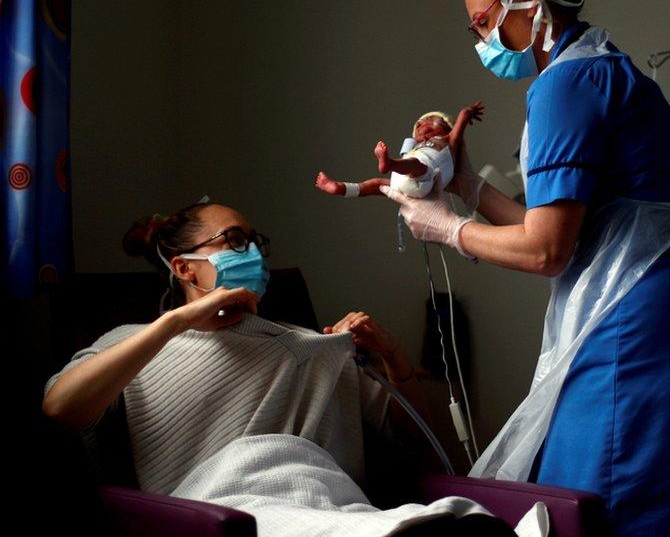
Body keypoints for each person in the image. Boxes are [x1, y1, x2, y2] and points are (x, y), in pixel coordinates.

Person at [381, 0, 670, 537]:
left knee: (606, 512)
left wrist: (444, 229)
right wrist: (468, 190)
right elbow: (574, 235)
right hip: (664, 314)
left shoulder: (564, 87)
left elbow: (547, 251)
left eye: (484, 23)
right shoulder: (603, 68)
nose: (481, 40)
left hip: (628, 327)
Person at [41, 201, 426, 497]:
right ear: (184, 268)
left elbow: (419, 438)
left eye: (255, 242)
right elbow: (61, 409)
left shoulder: (308, 347)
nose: (253, 254)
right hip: (226, 509)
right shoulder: (136, 343)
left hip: (328, 501)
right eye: (235, 240)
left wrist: (393, 355)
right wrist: (176, 323)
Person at [315, 102, 484, 199]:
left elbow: (460, 121)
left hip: (425, 178)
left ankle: (389, 163)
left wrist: (468, 112)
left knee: (416, 165)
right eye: (419, 124)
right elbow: (410, 147)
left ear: (447, 129)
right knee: (375, 184)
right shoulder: (413, 147)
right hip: (402, 181)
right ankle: (340, 188)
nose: (422, 124)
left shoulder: (449, 141)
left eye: (432, 121)